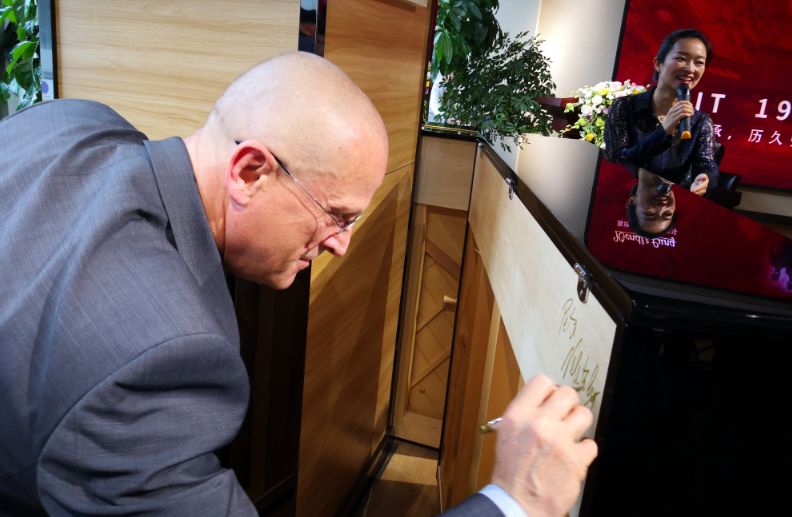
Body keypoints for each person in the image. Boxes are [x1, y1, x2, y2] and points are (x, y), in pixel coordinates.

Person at [0, 51, 596, 516]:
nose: (340, 243)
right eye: (335, 215)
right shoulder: (159, 360)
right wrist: (516, 501)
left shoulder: (71, 121)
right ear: (250, 172)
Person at [604, 28, 719, 198]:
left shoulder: (701, 122)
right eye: (681, 58)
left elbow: (707, 164)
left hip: (668, 203)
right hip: (623, 197)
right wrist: (663, 132)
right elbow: (616, 161)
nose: (690, 69)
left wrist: (705, 177)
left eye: (699, 62)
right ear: (658, 64)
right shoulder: (624, 106)